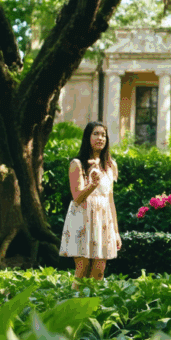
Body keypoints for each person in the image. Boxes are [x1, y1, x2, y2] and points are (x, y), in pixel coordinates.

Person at [59, 121, 121, 289]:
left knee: (99, 271)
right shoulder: (77, 164)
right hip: (82, 220)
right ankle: (73, 308)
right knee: (83, 269)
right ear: (88, 137)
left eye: (103, 135)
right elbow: (77, 198)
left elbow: (110, 200)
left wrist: (115, 231)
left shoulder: (110, 165)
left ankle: (93, 307)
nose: (100, 138)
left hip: (103, 221)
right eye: (96, 134)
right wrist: (92, 185)